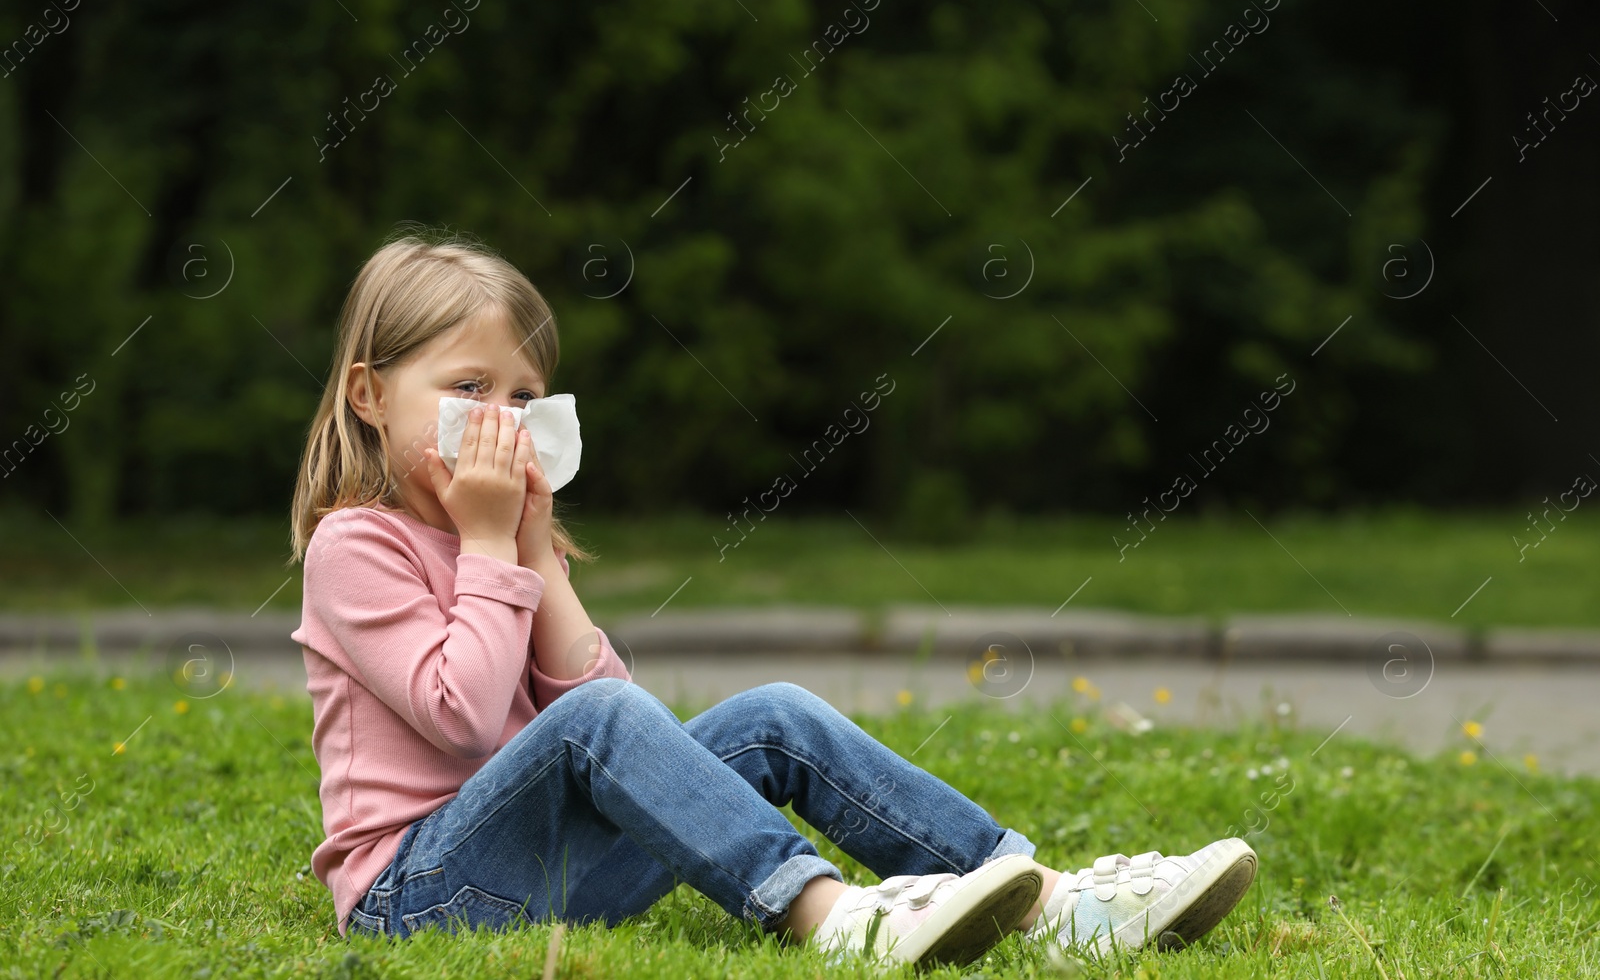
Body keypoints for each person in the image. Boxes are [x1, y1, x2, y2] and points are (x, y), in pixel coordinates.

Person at [286, 225, 1258, 970]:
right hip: (421, 893)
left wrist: (535, 558)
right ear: (371, 395)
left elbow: (593, 706)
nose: (502, 420)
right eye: (468, 386)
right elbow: (461, 720)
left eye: (522, 396)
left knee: (773, 717)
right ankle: (828, 919)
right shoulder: (354, 545)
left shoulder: (502, 540)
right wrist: (497, 544)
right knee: (608, 721)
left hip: (548, 867)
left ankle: (1045, 899)